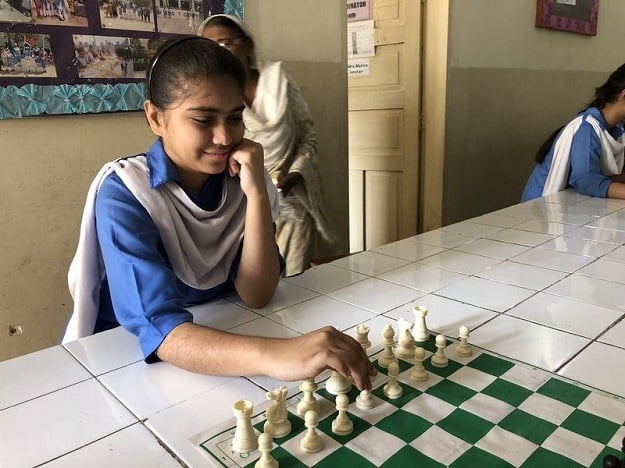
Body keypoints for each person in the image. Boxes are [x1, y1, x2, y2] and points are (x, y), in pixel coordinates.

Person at [63, 36, 375, 390]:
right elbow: (160, 329)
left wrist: (257, 193)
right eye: (203, 120)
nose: (225, 137)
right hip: (127, 362)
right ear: (155, 118)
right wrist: (277, 354)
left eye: (235, 117)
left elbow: (257, 294)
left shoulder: (237, 179)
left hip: (221, 342)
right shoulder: (126, 193)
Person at [198, 14, 337, 277]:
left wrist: (293, 175)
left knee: (297, 284)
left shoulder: (278, 83)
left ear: (247, 45)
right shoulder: (214, 97)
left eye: (226, 43)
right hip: (243, 208)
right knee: (258, 283)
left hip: (291, 203)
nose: (219, 52)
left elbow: (308, 136)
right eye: (210, 46)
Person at [521, 63, 625, 202]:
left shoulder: (617, 129)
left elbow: (609, 175)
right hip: (538, 209)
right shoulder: (586, 128)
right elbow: (586, 180)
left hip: (574, 202)